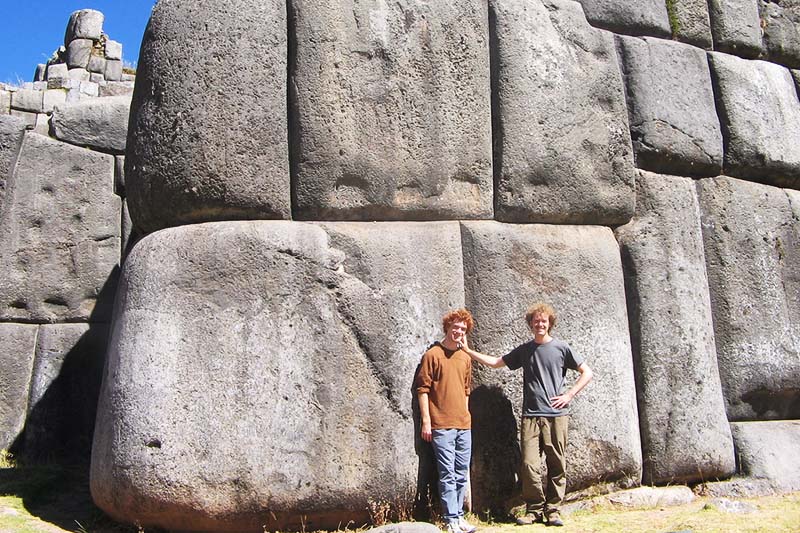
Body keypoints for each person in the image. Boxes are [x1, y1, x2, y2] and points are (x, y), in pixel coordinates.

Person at [461, 303, 593, 527]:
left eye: (543, 321)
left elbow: (587, 373)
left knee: (556, 463)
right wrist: (467, 351)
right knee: (529, 464)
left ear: (549, 323)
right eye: (536, 322)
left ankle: (553, 510)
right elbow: (496, 363)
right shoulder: (525, 350)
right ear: (530, 325)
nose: (539, 325)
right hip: (531, 415)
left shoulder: (562, 348)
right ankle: (533, 510)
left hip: (556, 415)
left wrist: (569, 395)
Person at [416, 309, 478, 533]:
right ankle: (450, 519)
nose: (458, 331)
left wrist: (466, 415)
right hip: (441, 425)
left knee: (462, 472)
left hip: (464, 424)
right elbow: (422, 390)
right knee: (447, 473)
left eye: (463, 329)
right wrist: (426, 422)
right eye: (456, 327)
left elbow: (466, 390)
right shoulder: (432, 355)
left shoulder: (465, 357)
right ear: (447, 327)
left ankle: (460, 516)